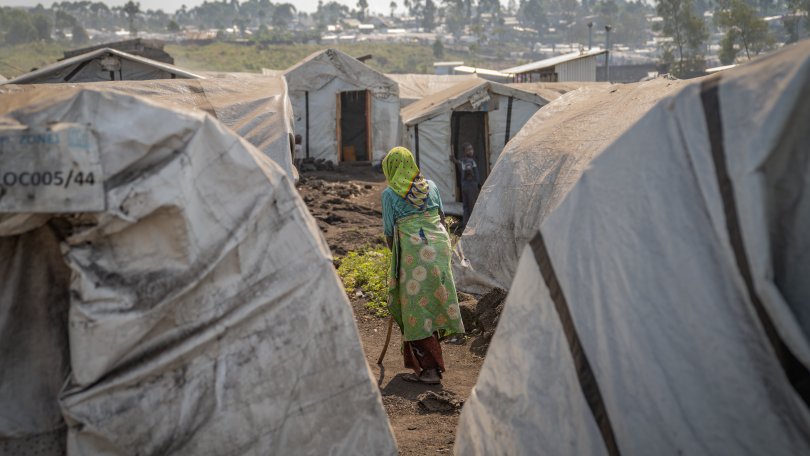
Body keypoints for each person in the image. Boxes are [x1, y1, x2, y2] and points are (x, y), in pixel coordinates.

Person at [382, 147, 465, 384]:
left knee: (416, 310)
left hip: (415, 254)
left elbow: (389, 233)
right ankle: (430, 364)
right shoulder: (431, 186)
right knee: (434, 300)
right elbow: (440, 218)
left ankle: (430, 371)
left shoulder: (389, 194)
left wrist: (400, 258)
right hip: (439, 248)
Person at [449, 143, 480, 229]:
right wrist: (470, 174)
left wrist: (454, 160)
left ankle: (465, 225)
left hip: (464, 186)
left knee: (466, 207)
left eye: (472, 149)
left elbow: (458, 162)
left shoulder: (463, 160)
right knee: (472, 206)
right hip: (471, 185)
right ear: (465, 152)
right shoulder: (470, 161)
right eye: (469, 150)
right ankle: (474, 226)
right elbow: (468, 169)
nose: (471, 151)